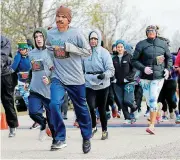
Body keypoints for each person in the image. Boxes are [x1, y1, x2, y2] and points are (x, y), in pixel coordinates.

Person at [46, 5, 92, 153]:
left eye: (63, 17)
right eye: (58, 16)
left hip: (76, 78)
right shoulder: (51, 33)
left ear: (68, 20)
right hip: (58, 77)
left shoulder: (76, 33)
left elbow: (88, 52)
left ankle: (86, 136)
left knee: (81, 109)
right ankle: (60, 137)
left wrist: (70, 48)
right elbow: (48, 49)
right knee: (53, 104)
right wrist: (50, 63)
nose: (59, 19)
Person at [132, 25, 172, 134]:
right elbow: (134, 60)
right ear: (146, 33)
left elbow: (169, 58)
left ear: (156, 32)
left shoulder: (163, 44)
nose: (151, 32)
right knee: (150, 101)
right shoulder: (141, 44)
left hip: (158, 77)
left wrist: (168, 70)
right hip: (145, 78)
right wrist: (143, 68)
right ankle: (157, 111)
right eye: (148, 31)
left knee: (152, 100)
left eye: (152, 31)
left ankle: (152, 125)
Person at [83, 30, 114, 139]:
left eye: (95, 39)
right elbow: (81, 68)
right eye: (91, 39)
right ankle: (93, 127)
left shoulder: (104, 52)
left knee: (101, 108)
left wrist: (104, 75)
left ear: (98, 40)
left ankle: (104, 130)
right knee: (90, 106)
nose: (93, 41)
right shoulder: (85, 53)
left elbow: (111, 69)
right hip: (89, 82)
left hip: (102, 83)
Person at [27, 27, 55, 141]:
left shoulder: (51, 52)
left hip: (49, 91)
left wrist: (50, 79)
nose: (38, 39)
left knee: (52, 121)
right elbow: (31, 70)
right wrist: (27, 82)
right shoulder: (31, 54)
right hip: (35, 89)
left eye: (40, 36)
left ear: (45, 37)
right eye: (36, 37)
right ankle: (43, 124)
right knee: (33, 112)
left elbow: (57, 71)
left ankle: (56, 140)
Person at [113, 40, 137, 124]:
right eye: (118, 47)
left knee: (128, 100)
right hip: (117, 83)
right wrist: (113, 78)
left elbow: (134, 69)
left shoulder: (129, 57)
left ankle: (135, 108)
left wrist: (128, 78)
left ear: (124, 47)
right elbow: (111, 70)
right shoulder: (114, 58)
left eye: (121, 47)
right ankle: (128, 118)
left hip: (128, 82)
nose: (119, 48)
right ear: (116, 48)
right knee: (121, 101)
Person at [1, 35, 19, 137]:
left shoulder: (4, 40)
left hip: (5, 75)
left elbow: (3, 55)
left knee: (7, 100)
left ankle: (12, 126)